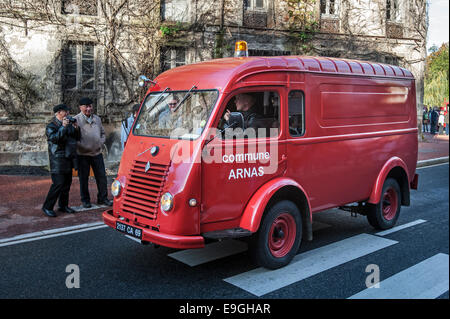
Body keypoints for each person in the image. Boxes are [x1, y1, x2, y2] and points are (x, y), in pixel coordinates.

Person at [42, 104, 80, 217]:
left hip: (68, 157)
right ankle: (47, 207)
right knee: (58, 184)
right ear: (58, 113)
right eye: (65, 111)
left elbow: (77, 137)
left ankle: (63, 205)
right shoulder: (51, 126)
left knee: (67, 184)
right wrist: (63, 127)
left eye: (68, 111)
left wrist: (76, 128)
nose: (68, 113)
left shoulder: (68, 124)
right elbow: (54, 139)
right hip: (57, 159)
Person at [74, 97, 113, 208]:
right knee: (84, 179)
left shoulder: (97, 119)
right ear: (80, 107)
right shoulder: (76, 120)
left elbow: (103, 133)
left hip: (97, 153)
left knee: (101, 177)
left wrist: (100, 142)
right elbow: (73, 138)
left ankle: (102, 198)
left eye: (90, 106)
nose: (89, 108)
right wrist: (83, 146)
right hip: (83, 155)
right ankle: (85, 200)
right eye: (86, 106)